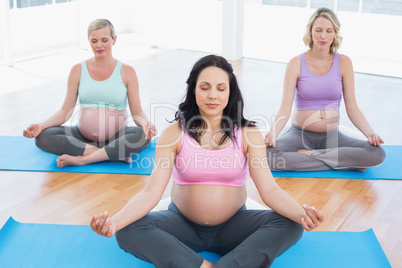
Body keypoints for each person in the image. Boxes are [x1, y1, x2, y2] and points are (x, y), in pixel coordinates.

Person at [90, 55, 324, 268]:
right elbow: (151, 193)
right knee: (129, 229)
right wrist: (115, 222)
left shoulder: (248, 134)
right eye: (205, 87)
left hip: (235, 226)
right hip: (182, 225)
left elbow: (270, 189)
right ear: (194, 91)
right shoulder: (174, 133)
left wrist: (302, 213)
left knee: (291, 224)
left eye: (221, 88)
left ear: (230, 92)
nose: (213, 95)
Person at [23, 19, 156, 168]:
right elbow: (65, 111)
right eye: (94, 41)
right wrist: (41, 125)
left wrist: (146, 125)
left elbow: (138, 112)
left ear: (114, 39)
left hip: (117, 137)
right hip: (82, 138)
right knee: (43, 137)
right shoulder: (77, 70)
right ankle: (109, 155)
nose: (99, 45)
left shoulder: (127, 71)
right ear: (89, 41)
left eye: (104, 40)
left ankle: (83, 159)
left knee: (141, 136)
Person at [265, 7, 385, 172]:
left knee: (376, 153)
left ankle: (309, 155)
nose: (323, 36)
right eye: (318, 30)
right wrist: (273, 133)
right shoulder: (295, 63)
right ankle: (343, 162)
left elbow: (353, 108)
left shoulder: (344, 62)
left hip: (332, 135)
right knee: (267, 154)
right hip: (300, 134)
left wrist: (371, 133)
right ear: (310, 31)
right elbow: (284, 108)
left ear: (335, 33)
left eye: (329, 31)